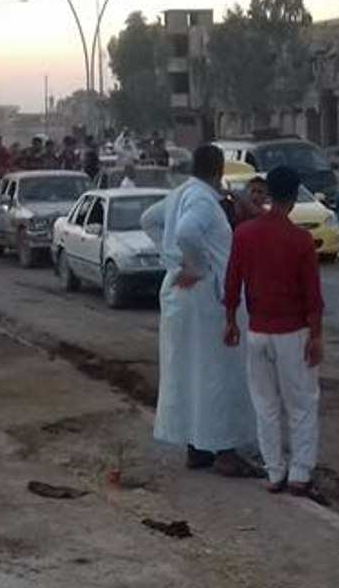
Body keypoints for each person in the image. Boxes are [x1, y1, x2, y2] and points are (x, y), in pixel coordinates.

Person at [140, 144, 258, 477]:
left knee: (191, 372)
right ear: (219, 170)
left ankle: (198, 446)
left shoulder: (180, 194)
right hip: (206, 297)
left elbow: (148, 220)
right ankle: (224, 450)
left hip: (182, 296)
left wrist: (171, 260)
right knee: (220, 373)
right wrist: (197, 266)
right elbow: (186, 231)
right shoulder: (204, 201)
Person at [224, 167, 325, 496]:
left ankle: (274, 471)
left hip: (256, 331)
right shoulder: (300, 240)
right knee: (301, 403)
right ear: (294, 197)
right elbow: (313, 296)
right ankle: (299, 472)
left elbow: (232, 281)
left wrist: (230, 322)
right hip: (292, 332)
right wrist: (317, 337)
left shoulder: (244, 234)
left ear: (267, 195)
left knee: (265, 404)